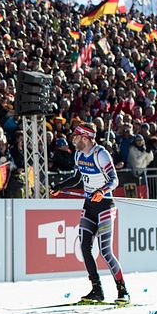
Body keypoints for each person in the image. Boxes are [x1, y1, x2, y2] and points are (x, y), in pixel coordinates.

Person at [50, 123, 129, 304]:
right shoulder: (78, 154)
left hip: (105, 205)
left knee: (105, 251)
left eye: (76, 137)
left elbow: (114, 180)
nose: (73, 140)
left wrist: (101, 191)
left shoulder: (100, 154)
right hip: (89, 205)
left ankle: (122, 290)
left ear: (85, 138)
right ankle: (97, 290)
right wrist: (59, 187)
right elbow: (78, 178)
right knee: (85, 247)